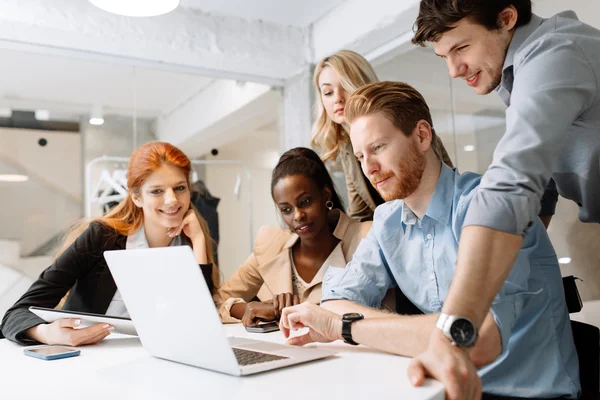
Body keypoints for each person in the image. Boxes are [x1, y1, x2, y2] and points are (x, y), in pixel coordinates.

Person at [279, 82, 580, 400]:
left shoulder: (488, 208)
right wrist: (429, 329)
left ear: (422, 136)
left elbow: (475, 340)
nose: (369, 168)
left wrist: (346, 328)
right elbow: (334, 302)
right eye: (360, 156)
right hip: (442, 388)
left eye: (378, 147)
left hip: (525, 394)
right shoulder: (387, 221)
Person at [407, 1, 600, 396]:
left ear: (506, 18)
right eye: (444, 56)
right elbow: (539, 187)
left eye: (460, 49)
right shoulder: (516, 71)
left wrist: (450, 334)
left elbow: (511, 185)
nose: (453, 69)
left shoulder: (555, 53)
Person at [1, 142, 218, 346]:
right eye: (156, 191)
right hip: (87, 361)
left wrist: (199, 242)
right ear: (137, 197)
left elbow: (200, 322)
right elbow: (15, 315)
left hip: (157, 361)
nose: (171, 200)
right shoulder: (100, 237)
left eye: (179, 188)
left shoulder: (192, 240)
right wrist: (47, 333)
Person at [214, 147, 387, 327]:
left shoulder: (365, 237)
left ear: (325, 195)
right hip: (283, 351)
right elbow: (216, 302)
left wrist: (300, 312)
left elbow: (385, 314)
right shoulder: (270, 242)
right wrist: (249, 308)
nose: (297, 216)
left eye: (305, 202)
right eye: (286, 210)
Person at [312, 50, 454, 222]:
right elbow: (361, 216)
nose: (338, 99)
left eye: (346, 86)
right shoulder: (347, 150)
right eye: (328, 92)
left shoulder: (404, 124)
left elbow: (441, 191)